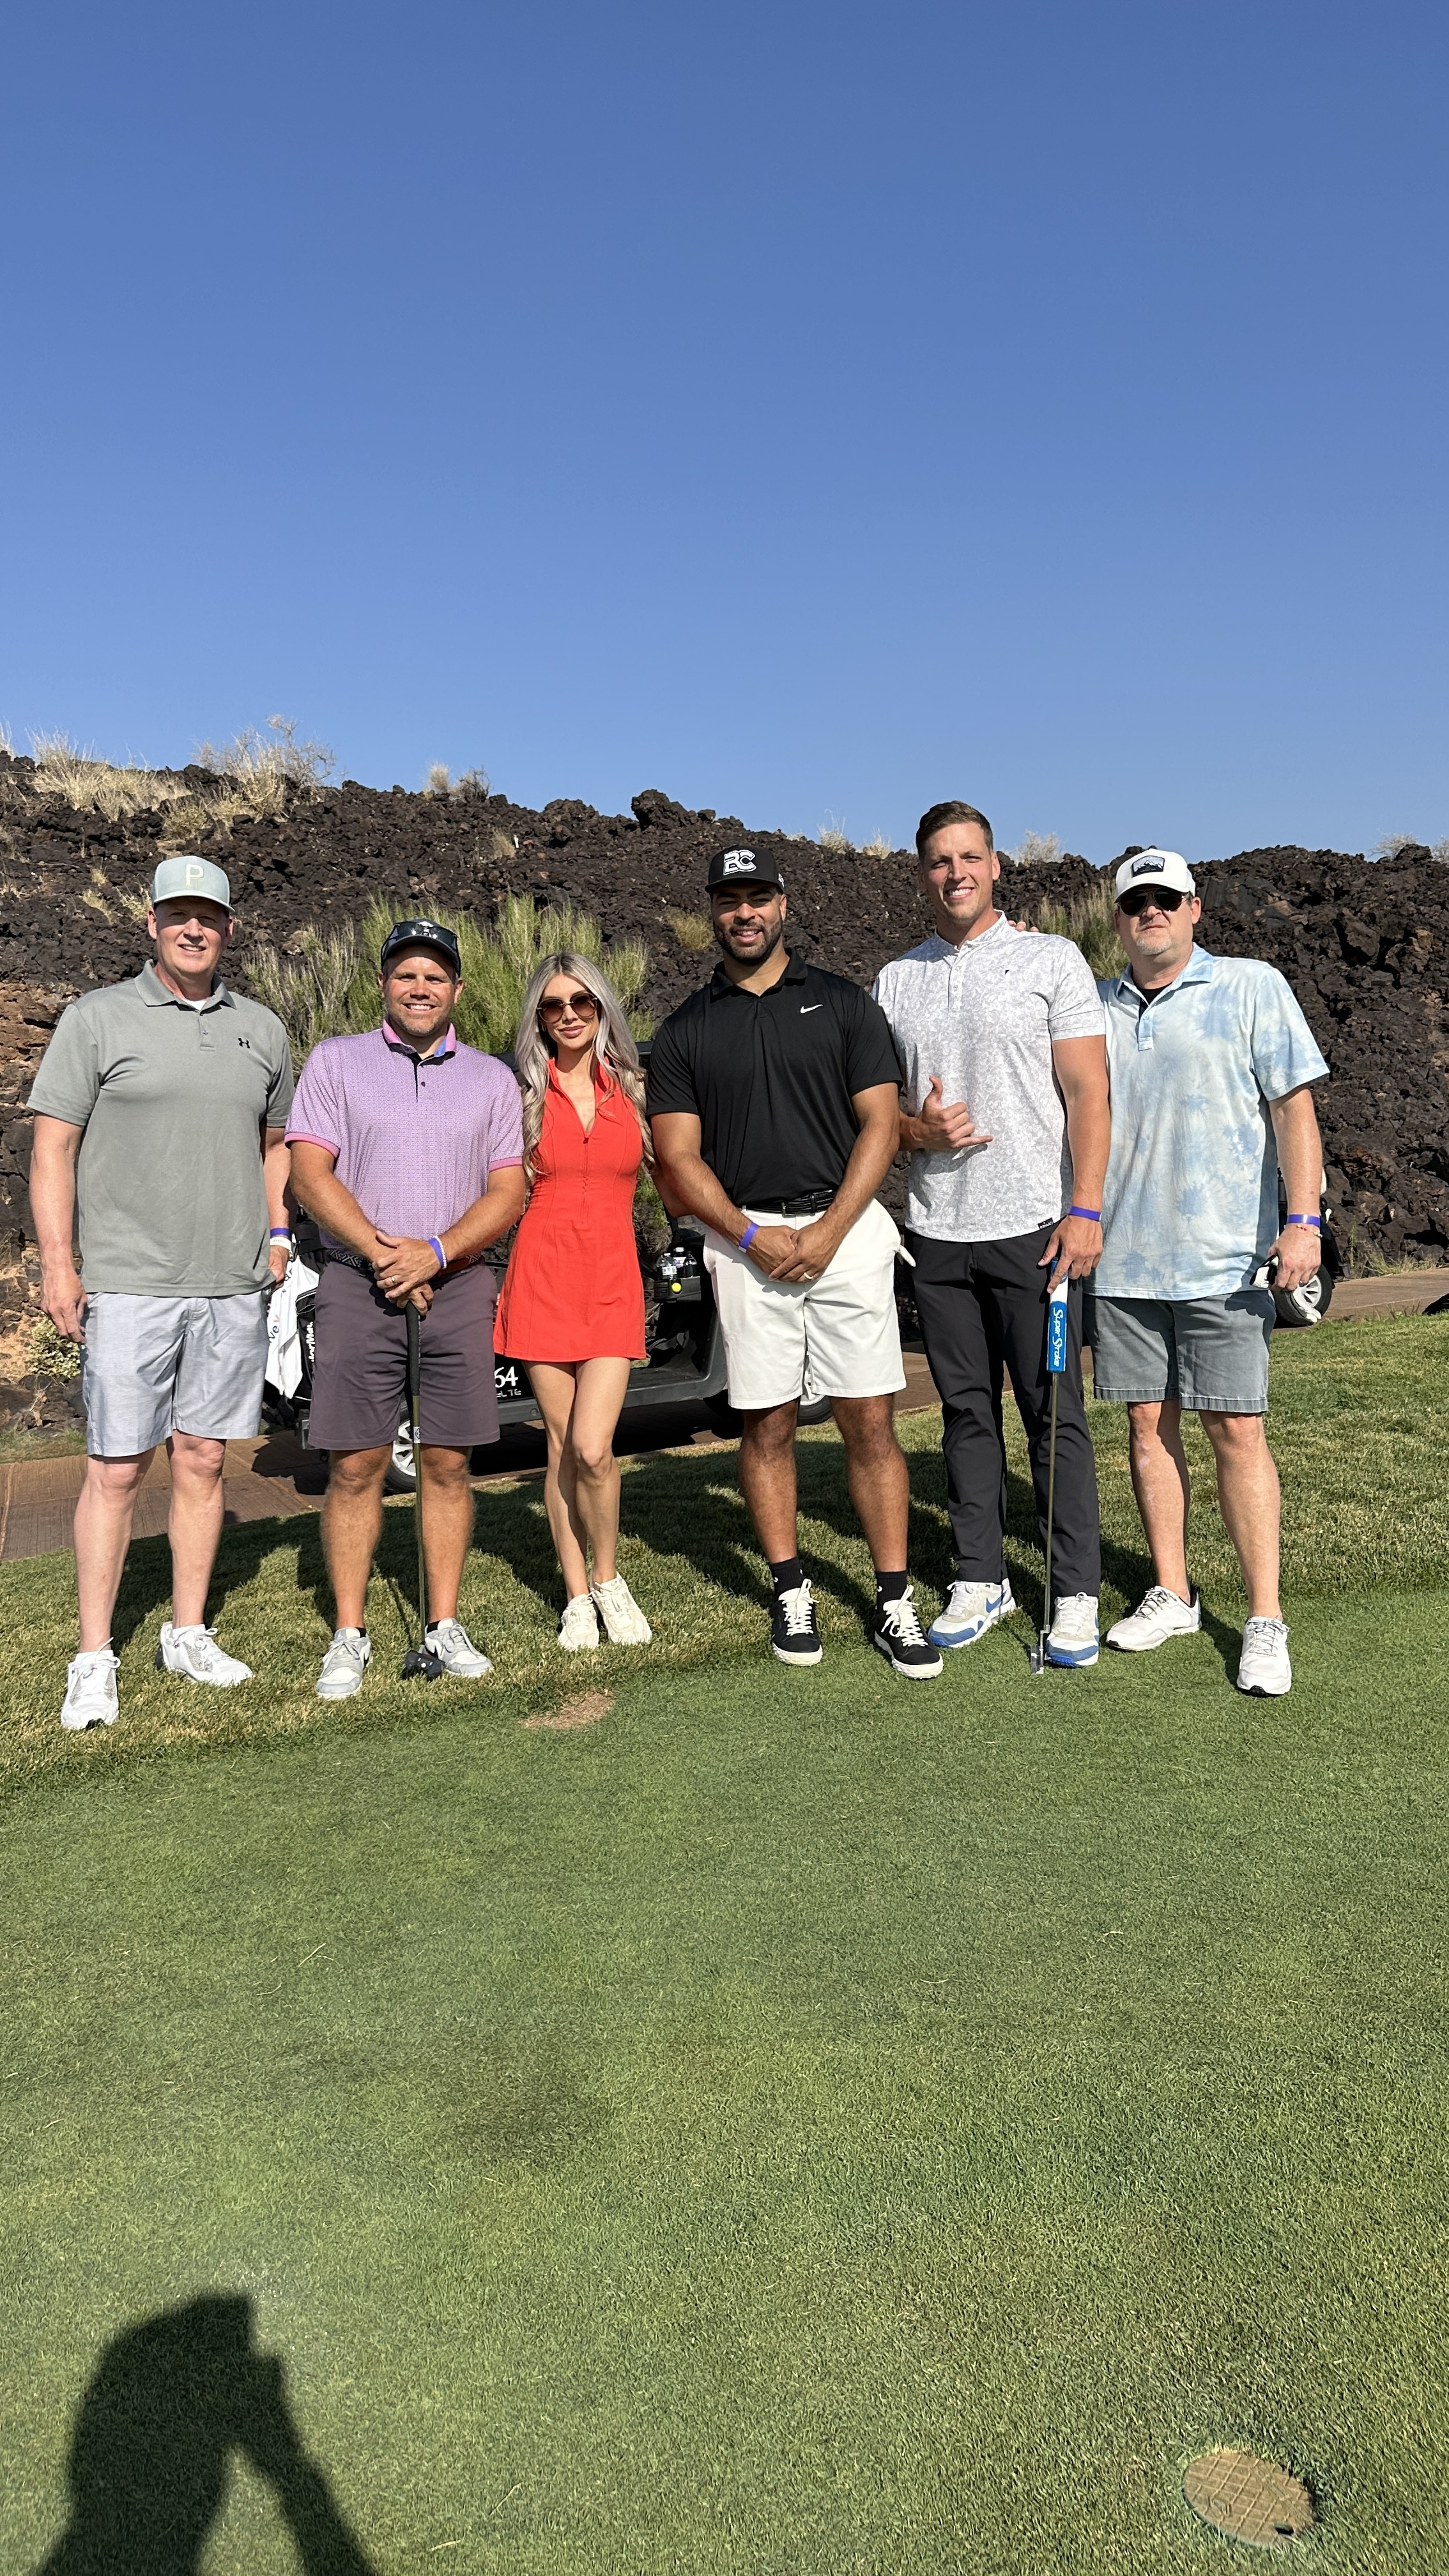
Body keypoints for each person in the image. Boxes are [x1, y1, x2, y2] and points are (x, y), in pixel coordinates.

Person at [648, 845, 941, 1678]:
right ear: (713, 910)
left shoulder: (843, 1004)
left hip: (843, 1240)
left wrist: (831, 1232)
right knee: (767, 1422)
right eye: (729, 899)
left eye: (758, 897)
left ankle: (892, 1599)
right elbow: (678, 1156)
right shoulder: (688, 1028)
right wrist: (749, 1236)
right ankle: (790, 1588)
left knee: (871, 1421)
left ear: (784, 904)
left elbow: (881, 1126)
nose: (745, 913)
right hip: (747, 1250)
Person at [27, 855, 295, 1729]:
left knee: (206, 1460)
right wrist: (59, 1263)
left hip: (231, 1284)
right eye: (178, 914)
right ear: (151, 922)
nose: (193, 928)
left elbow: (275, 1143)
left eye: (208, 917)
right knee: (114, 1468)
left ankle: (186, 1632)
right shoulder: (97, 1019)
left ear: (227, 928)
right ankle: (94, 1656)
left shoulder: (261, 1028)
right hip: (130, 1283)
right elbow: (52, 1150)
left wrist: (280, 1230)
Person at [872, 801, 1111, 1666]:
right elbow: (872, 1122)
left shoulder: (1051, 959)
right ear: (922, 872)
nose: (956, 873)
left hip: (1038, 1233)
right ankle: (981, 1574)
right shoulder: (896, 981)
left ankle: (1074, 1589)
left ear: (997, 864)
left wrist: (1085, 1210)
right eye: (940, 860)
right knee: (966, 1414)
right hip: (938, 1235)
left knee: (1055, 1415)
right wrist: (917, 1133)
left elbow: (1090, 1093)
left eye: (970, 856)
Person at [1090, 850, 1330, 1696]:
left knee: (1236, 1431)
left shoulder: (1253, 986)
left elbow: (1292, 1107)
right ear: (1118, 919)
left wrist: (1303, 1222)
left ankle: (1264, 1618)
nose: (1150, 913)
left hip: (1226, 1257)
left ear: (1195, 909)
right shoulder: (1097, 1005)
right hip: (1122, 1262)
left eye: (1165, 900)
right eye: (1135, 903)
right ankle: (1173, 1591)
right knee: (1147, 1428)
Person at [285, 918, 525, 1697]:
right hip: (360, 1282)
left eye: (434, 976)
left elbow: (508, 1190)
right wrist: (391, 1254)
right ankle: (350, 1634)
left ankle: (442, 1622)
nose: (419, 988)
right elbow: (311, 1175)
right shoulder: (336, 1062)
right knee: (355, 1464)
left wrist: (437, 1252)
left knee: (449, 1462)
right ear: (384, 985)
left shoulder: (490, 1078)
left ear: (457, 989)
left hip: (457, 1286)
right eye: (405, 975)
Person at [493, 953, 654, 1650]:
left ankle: (610, 1578)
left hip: (613, 1281)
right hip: (543, 1278)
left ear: (601, 1010)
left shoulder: (637, 1090)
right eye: (554, 1005)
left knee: (595, 1447)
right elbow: (493, 1189)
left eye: (582, 1002)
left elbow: (678, 1168)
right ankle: (576, 1595)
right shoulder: (519, 1096)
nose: (569, 1015)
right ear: (539, 1017)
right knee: (561, 1446)